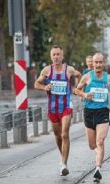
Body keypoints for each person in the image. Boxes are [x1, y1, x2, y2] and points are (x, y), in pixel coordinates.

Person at [34, 44, 82, 176]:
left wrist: (76, 87)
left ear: (62, 56)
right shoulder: (46, 71)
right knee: (57, 135)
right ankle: (63, 158)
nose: (56, 57)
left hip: (66, 107)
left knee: (65, 134)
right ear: (51, 56)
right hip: (52, 108)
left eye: (58, 54)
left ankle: (64, 164)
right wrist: (45, 87)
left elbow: (79, 75)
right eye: (53, 54)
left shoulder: (69, 69)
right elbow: (36, 83)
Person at [75, 53, 110, 182]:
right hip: (89, 112)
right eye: (96, 62)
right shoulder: (87, 77)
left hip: (103, 112)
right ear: (92, 63)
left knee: (100, 141)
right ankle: (97, 154)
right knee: (92, 145)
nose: (98, 65)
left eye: (100, 62)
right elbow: (77, 90)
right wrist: (85, 94)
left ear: (104, 63)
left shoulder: (109, 78)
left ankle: (98, 168)